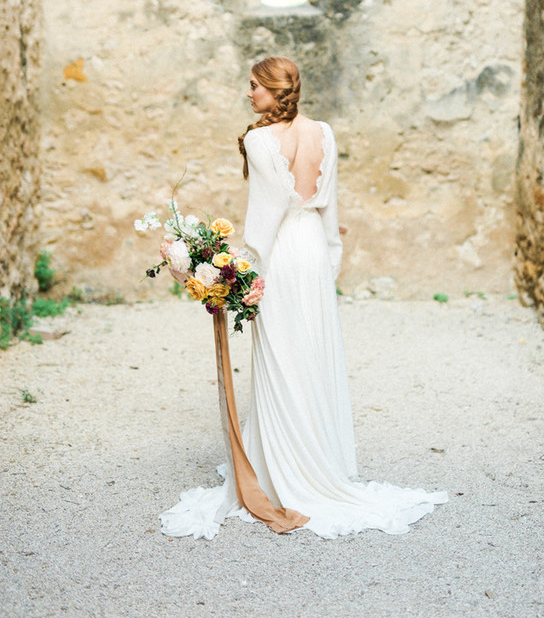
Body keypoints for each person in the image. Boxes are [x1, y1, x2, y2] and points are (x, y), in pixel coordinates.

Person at [160, 56, 447, 539]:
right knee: (310, 350)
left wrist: (244, 269)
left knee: (280, 354)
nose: (249, 93)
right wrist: (331, 254)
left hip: (282, 251)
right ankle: (316, 460)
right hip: (312, 244)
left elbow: (267, 211)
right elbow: (329, 202)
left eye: (255, 85)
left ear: (274, 90)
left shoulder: (259, 140)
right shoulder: (324, 133)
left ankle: (284, 469)